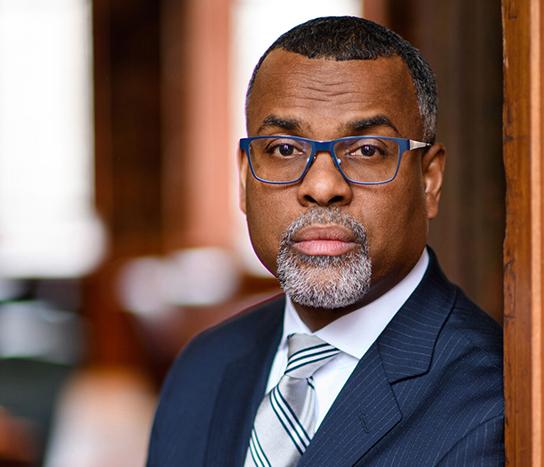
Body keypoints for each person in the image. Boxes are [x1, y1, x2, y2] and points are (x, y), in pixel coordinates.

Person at [147, 16, 503, 467]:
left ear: (429, 180)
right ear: (243, 178)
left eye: (368, 150)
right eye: (283, 149)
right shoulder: (204, 365)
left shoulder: (491, 408)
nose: (321, 185)